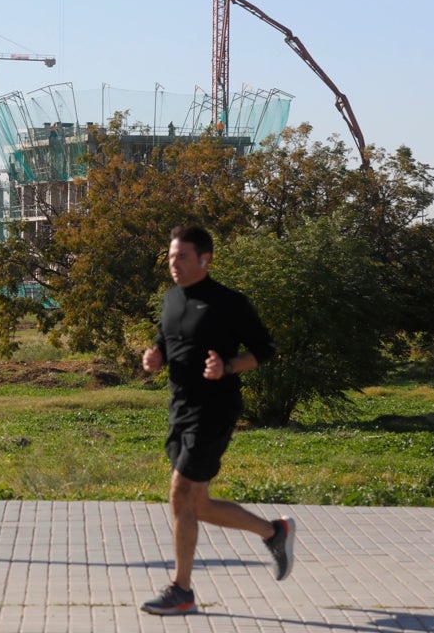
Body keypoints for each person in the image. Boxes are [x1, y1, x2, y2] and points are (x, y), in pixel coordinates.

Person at [139, 225, 294, 616]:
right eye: (172, 257)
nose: (174, 264)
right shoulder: (172, 298)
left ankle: (181, 589)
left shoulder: (229, 302)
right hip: (180, 408)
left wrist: (227, 366)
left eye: (182, 257)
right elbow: (164, 337)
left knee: (180, 492)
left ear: (204, 260)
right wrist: (154, 355)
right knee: (199, 505)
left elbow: (265, 349)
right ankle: (274, 532)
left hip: (214, 409)